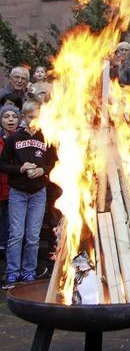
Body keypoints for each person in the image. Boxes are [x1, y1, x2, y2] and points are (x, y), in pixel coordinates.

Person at [0, 101, 55, 288]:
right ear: (23, 117)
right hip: (18, 192)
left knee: (33, 236)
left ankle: (29, 271)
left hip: (38, 192)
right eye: (30, 117)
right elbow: (3, 164)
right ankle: (12, 273)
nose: (33, 121)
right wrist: (20, 168)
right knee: (16, 234)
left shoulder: (46, 138)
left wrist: (43, 170)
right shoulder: (14, 138)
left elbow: (54, 162)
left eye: (37, 117)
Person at [0, 105, 20, 255]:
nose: (10, 119)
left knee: (12, 226)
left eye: (14, 116)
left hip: (15, 189)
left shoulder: (22, 139)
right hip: (0, 188)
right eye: (6, 116)